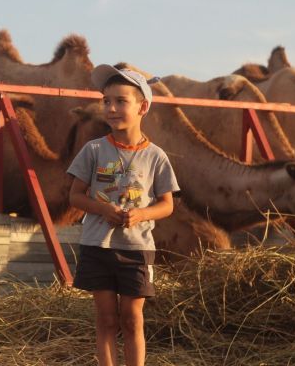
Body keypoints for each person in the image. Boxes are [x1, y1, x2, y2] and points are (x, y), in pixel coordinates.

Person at [67, 65, 179, 366]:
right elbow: (75, 196)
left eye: (120, 101)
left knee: (132, 319)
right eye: (106, 101)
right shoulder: (92, 150)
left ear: (143, 107)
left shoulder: (156, 156)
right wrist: (104, 208)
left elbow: (167, 204)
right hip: (97, 246)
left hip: (136, 249)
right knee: (105, 320)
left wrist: (140, 214)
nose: (111, 108)